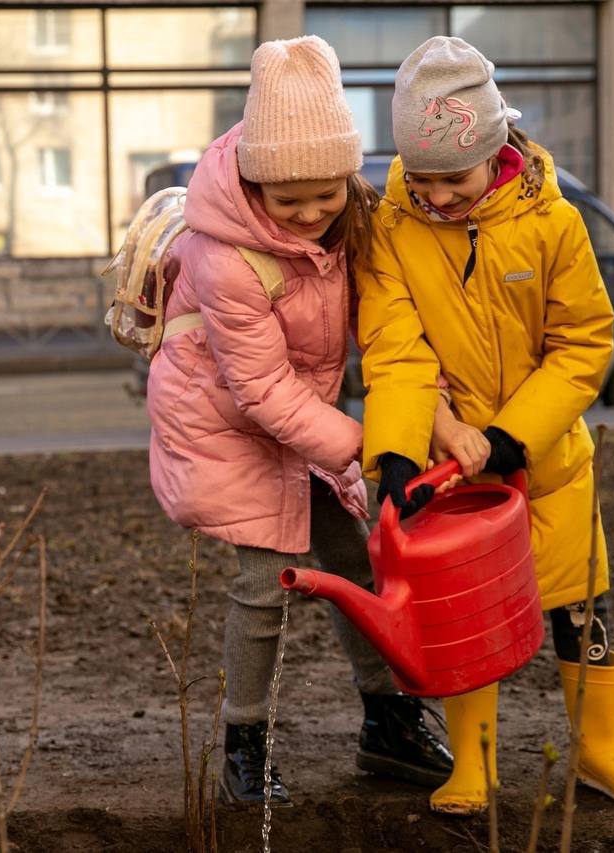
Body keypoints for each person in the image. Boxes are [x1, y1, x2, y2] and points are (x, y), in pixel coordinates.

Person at [356, 36, 614, 816]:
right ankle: (475, 760)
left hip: (549, 457)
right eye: (421, 180)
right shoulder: (392, 226)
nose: (439, 197)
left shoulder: (553, 223)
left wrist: (509, 437)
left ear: (495, 151)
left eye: (454, 179)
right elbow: (394, 345)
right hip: (450, 468)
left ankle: (600, 748)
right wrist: (399, 446)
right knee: (461, 612)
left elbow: (583, 343)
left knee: (578, 603)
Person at [145, 35, 452, 807]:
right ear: (254, 185)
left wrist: (412, 412)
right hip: (224, 420)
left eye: (328, 195)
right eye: (292, 203)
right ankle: (243, 746)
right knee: (266, 580)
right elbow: (259, 390)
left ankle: (388, 722)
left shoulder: (350, 219)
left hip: (303, 415)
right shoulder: (225, 257)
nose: (313, 214)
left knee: (358, 562)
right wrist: (368, 449)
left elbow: (382, 322)